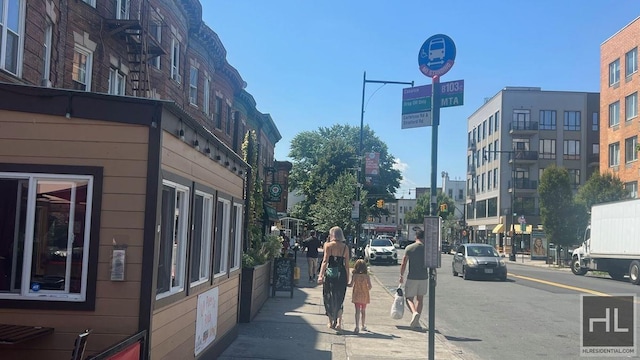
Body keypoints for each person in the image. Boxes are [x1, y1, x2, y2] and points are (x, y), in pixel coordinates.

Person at [318, 226, 350, 331]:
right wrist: (348, 278)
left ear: (332, 235)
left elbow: (325, 261)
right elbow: (347, 265)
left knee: (328, 297)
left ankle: (331, 322)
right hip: (341, 275)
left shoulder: (328, 245)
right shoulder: (345, 247)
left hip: (331, 274)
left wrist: (320, 275)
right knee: (340, 298)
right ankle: (339, 323)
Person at [399, 229, 428, 329]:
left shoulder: (409, 248)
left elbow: (404, 263)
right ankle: (416, 322)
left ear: (416, 236)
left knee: (409, 298)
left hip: (412, 277)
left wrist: (401, 275)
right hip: (424, 277)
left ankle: (414, 313)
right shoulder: (427, 249)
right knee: (420, 299)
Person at [348, 259, 372, 334]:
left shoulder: (355, 276)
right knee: (363, 311)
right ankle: (363, 325)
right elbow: (370, 286)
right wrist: (366, 289)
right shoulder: (367, 276)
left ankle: (357, 326)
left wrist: (346, 284)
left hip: (356, 294)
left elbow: (351, 284)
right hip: (364, 295)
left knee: (357, 311)